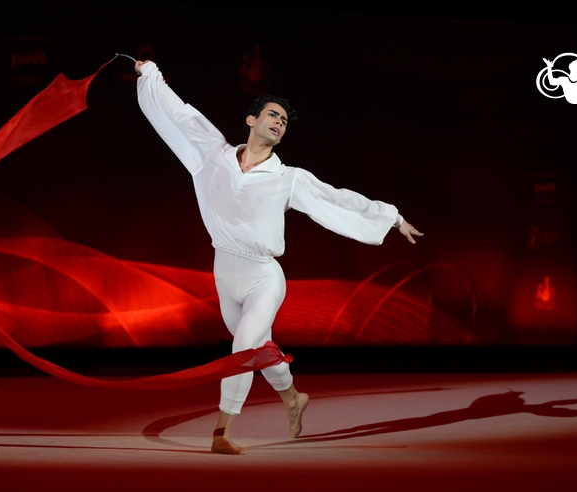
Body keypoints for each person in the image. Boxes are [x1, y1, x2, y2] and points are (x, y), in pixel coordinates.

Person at [134, 59, 423, 455]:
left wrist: (392, 217)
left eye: (284, 121)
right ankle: (293, 399)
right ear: (251, 119)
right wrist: (150, 75)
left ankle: (221, 433)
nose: (279, 122)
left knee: (243, 351)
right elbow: (181, 115)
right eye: (273, 114)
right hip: (224, 271)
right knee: (262, 350)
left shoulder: (289, 179)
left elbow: (336, 198)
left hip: (263, 278)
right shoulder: (212, 155)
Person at [543, 5, 577, 104]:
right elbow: (552, 82)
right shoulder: (569, 79)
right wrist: (549, 67)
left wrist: (549, 67)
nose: (576, 59)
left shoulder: (574, 79)